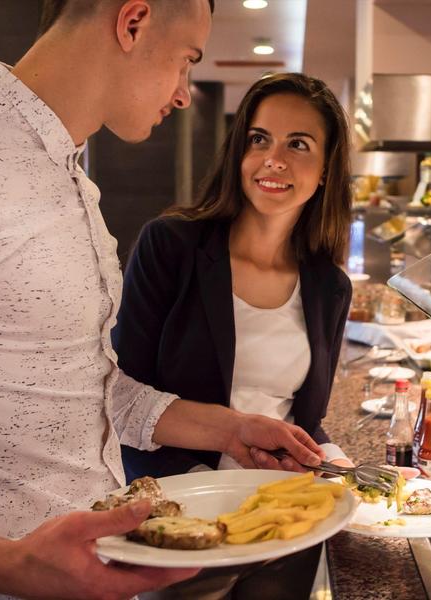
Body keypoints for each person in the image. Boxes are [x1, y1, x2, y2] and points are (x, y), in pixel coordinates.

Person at [0, 2, 323, 599]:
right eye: (187, 60)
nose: (185, 94)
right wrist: (9, 564)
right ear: (133, 22)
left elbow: (86, 389)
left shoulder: (71, 178)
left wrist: (229, 431)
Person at [112, 71, 353, 600]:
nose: (274, 159)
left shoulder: (330, 285)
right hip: (181, 521)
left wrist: (334, 461)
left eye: (299, 144)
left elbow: (300, 416)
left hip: (283, 522)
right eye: (259, 139)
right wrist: (230, 429)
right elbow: (117, 400)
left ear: (327, 169)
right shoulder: (171, 246)